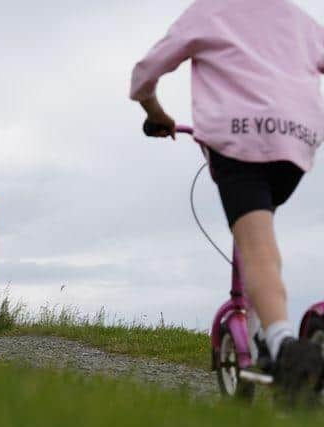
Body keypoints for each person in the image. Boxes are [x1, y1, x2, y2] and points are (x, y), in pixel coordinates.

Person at [130, 0, 324, 397]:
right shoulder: (301, 21)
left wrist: (158, 114)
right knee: (263, 234)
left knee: (257, 248)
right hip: (295, 145)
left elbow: (143, 76)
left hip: (237, 139)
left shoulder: (208, 12)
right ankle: (271, 341)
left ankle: (284, 345)